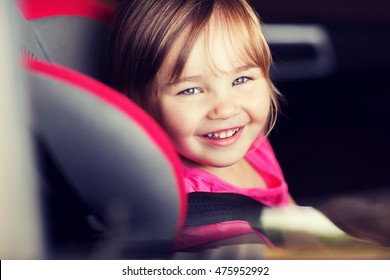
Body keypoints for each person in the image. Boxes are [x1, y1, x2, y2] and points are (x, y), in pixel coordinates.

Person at [111, 0, 291, 257]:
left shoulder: (251, 142)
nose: (225, 110)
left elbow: (288, 212)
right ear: (138, 104)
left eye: (241, 79)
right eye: (190, 90)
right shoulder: (204, 221)